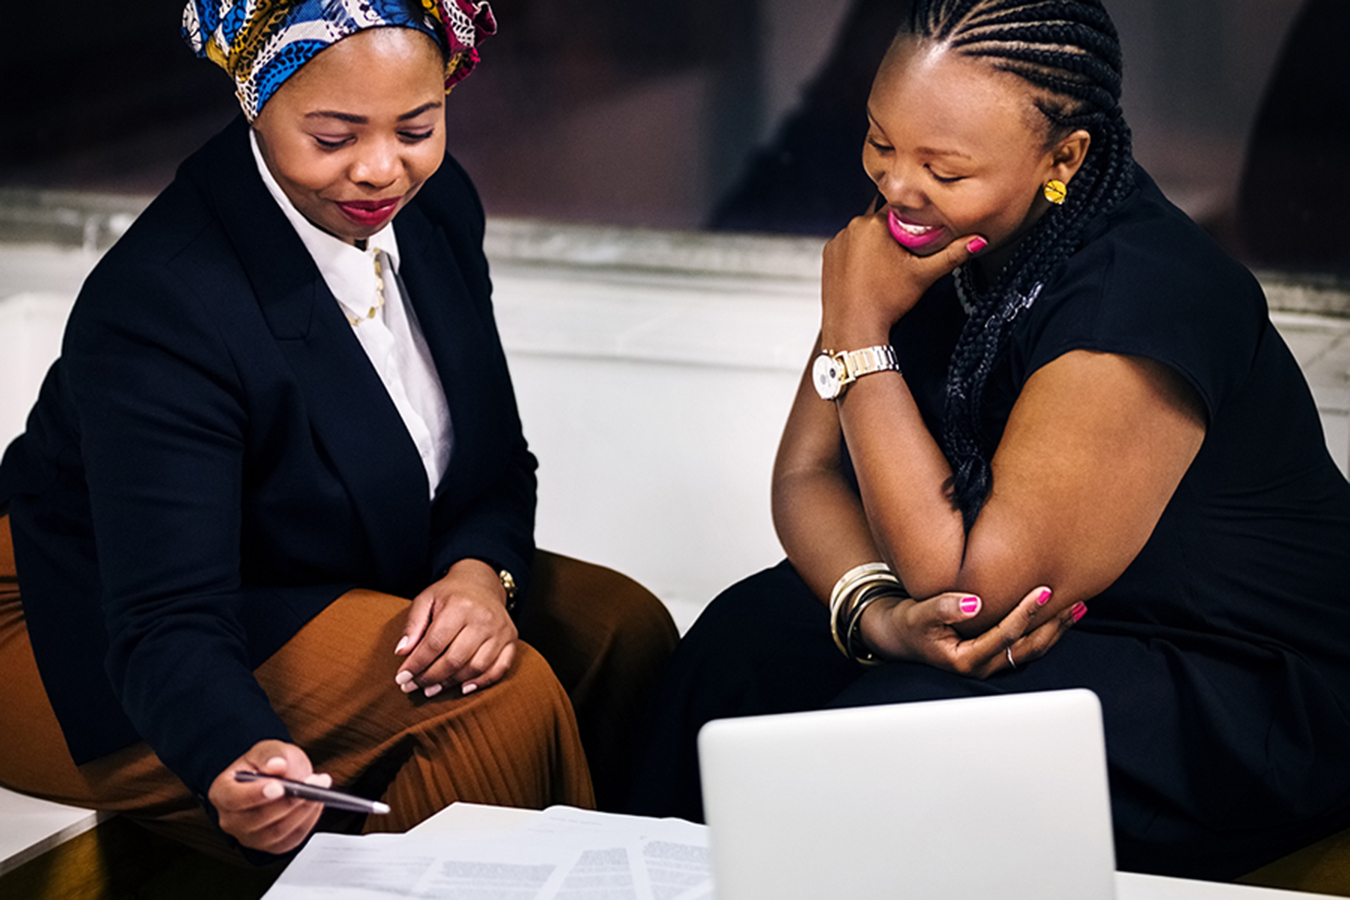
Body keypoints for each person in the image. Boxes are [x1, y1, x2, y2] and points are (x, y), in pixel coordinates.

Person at [627, 0, 1350, 882]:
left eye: (943, 166)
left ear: (1063, 158)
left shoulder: (1141, 296)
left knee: (901, 734)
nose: (896, 187)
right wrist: (876, 616)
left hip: (1232, 679)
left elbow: (968, 596)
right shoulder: (925, 227)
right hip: (1033, 608)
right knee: (739, 651)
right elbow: (807, 473)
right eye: (880, 142)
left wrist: (857, 326)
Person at [0, 0, 676, 863]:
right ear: (257, 103)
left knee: (625, 629)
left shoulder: (437, 211)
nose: (382, 170)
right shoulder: (165, 299)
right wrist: (230, 747)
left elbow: (495, 463)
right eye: (333, 137)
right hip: (83, 616)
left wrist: (480, 573)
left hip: (290, 565)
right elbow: (166, 610)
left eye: (417, 127)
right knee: (488, 703)